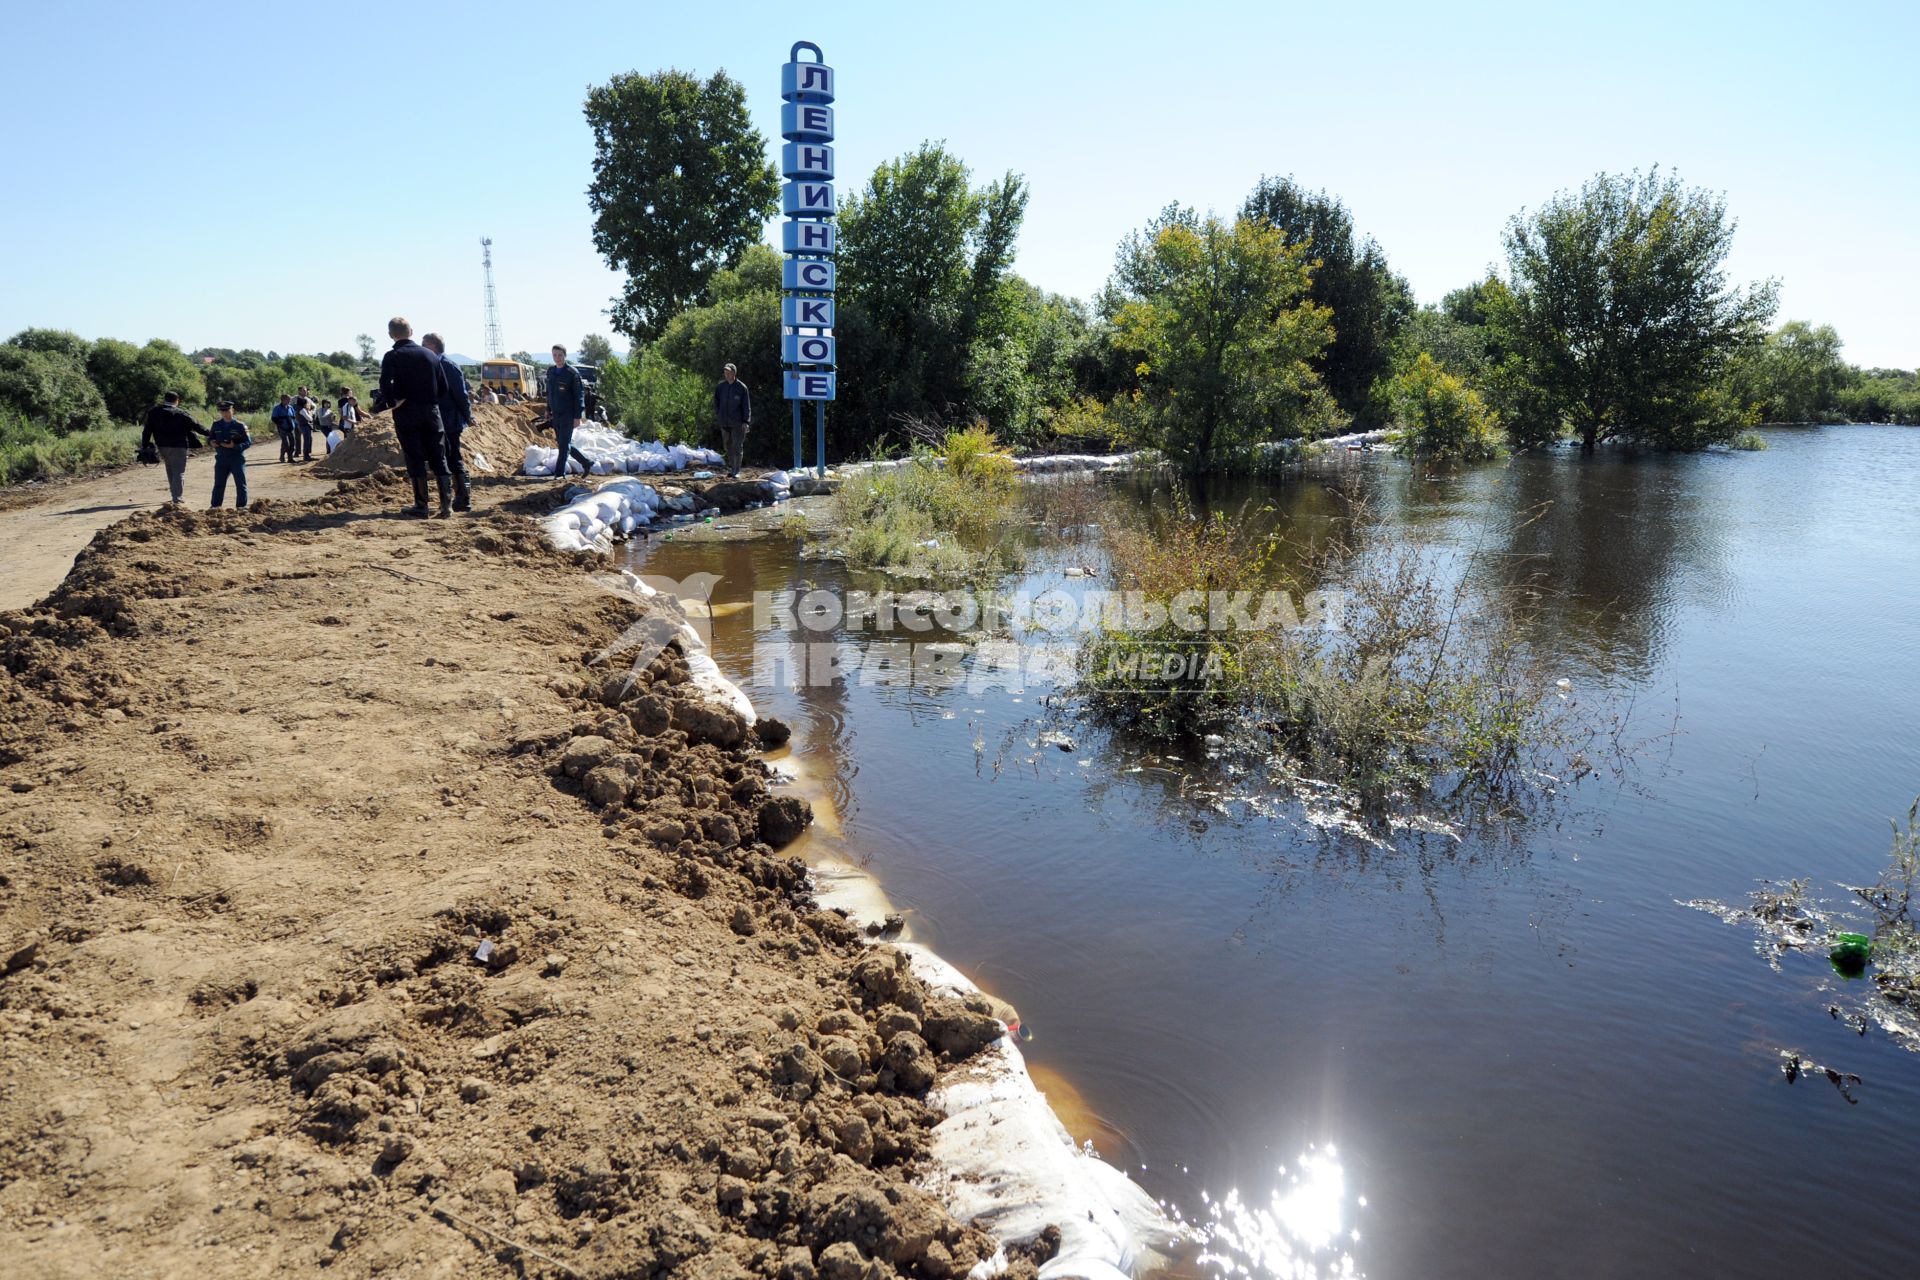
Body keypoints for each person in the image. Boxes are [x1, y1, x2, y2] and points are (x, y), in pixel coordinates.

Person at [375, 316, 453, 517]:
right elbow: (444, 388)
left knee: (414, 456)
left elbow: (384, 385)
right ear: (411, 332)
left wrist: (393, 402)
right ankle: (446, 505)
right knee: (439, 456)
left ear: (391, 335)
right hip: (432, 412)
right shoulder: (431, 355)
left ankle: (421, 505)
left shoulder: (392, 356)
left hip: (406, 412)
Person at [420, 333, 472, 511]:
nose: (421, 346)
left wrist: (467, 416)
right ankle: (453, 496)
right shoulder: (433, 364)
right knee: (443, 459)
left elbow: (460, 395)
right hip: (438, 420)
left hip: (450, 420)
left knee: (454, 457)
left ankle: (464, 498)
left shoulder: (448, 366)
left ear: (433, 346)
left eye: (424, 344)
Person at [138, 390, 207, 505]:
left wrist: (144, 445)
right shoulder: (181, 413)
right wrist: (211, 433)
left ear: (164, 399)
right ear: (177, 401)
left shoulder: (153, 412)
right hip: (179, 446)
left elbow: (147, 431)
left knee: (170, 469)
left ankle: (174, 495)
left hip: (162, 446)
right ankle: (177, 498)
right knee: (179, 471)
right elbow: (197, 426)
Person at [543, 344, 590, 477]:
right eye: (554, 355)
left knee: (563, 446)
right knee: (564, 443)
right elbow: (550, 393)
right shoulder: (551, 371)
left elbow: (579, 396)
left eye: (560, 355)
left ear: (565, 355)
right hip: (556, 414)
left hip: (568, 414)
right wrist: (547, 409)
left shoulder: (572, 373)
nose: (557, 358)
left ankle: (559, 473)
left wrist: (577, 416)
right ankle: (586, 463)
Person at [206, 400, 252, 509]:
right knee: (219, 484)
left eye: (227, 410)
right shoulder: (216, 424)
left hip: (236, 458)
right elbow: (210, 438)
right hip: (221, 458)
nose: (225, 413)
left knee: (240, 484)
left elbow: (248, 442)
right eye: (222, 411)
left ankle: (241, 506)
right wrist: (211, 442)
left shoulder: (240, 425)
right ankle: (215, 506)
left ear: (232, 410)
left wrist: (234, 446)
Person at [713, 362, 751, 477]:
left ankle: (737, 471)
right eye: (725, 371)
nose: (726, 373)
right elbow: (716, 402)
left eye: (729, 371)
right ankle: (732, 468)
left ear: (734, 373)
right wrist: (718, 414)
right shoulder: (720, 387)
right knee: (728, 446)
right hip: (724, 422)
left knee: (737, 446)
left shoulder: (741, 387)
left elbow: (746, 406)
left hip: (738, 423)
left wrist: (746, 422)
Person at [270, 394, 298, 462]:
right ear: (283, 400)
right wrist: (281, 424)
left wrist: (295, 425)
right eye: (288, 399)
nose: (289, 401)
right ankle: (282, 457)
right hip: (282, 428)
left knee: (292, 443)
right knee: (286, 443)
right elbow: (274, 418)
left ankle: (290, 458)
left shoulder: (290, 407)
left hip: (291, 428)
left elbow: (294, 417)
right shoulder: (277, 408)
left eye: (289, 399)